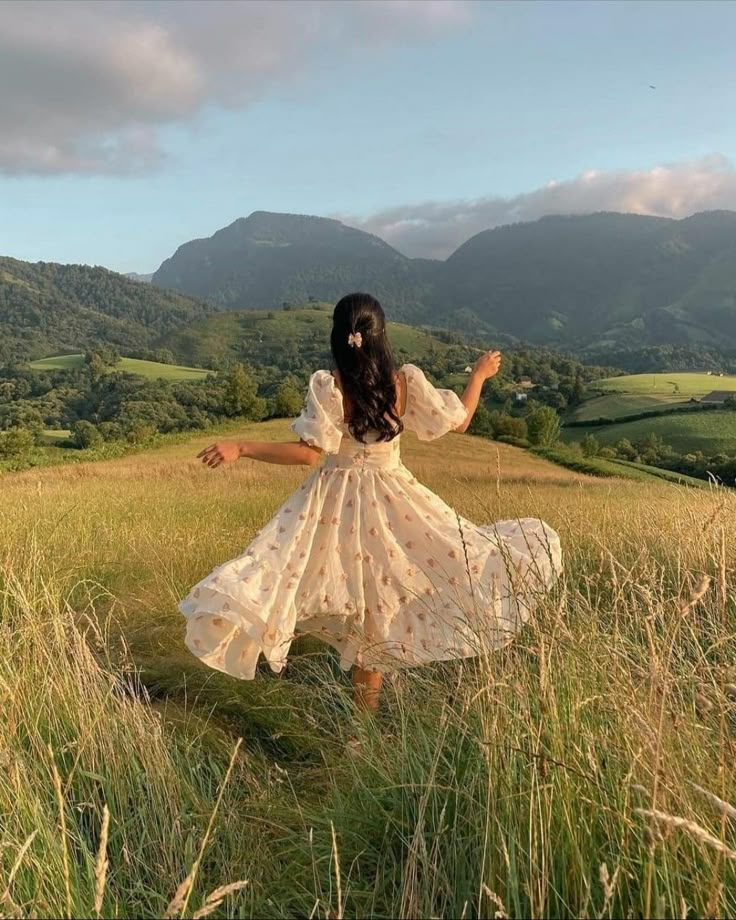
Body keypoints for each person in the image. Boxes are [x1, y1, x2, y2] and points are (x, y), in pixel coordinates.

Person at [180, 293, 561, 711]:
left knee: (289, 574)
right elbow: (461, 421)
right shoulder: (404, 383)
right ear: (380, 337)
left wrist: (242, 446)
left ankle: (297, 661)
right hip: (392, 500)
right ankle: (363, 724)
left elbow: (309, 453)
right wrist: (479, 376)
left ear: (339, 337)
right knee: (380, 601)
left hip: (332, 504)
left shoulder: (330, 385)